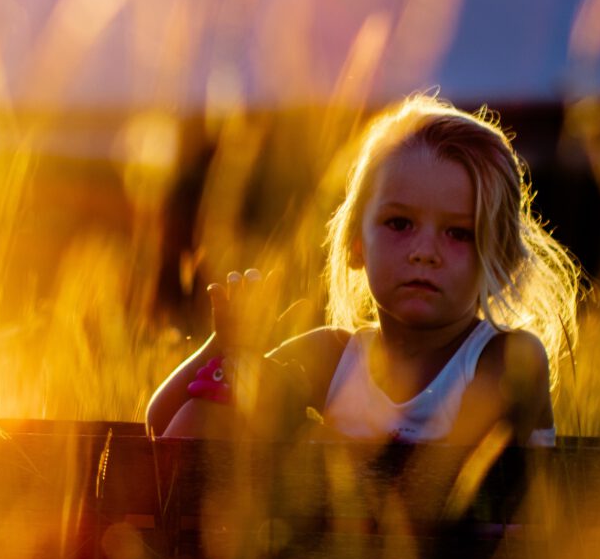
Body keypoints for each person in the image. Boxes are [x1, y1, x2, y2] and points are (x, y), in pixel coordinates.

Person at [145, 95, 576, 447]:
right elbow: (163, 424)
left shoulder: (506, 359)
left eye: (459, 233)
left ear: (500, 258)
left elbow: (445, 480)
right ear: (356, 245)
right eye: (400, 224)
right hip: (337, 552)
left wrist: (308, 438)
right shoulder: (334, 357)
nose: (425, 252)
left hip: (465, 554)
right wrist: (226, 349)